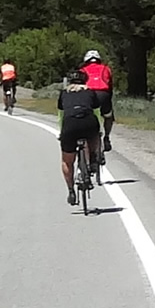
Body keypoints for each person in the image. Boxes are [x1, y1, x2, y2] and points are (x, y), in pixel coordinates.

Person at [57, 68, 104, 204]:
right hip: (88, 122)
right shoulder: (90, 92)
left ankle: (71, 191)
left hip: (70, 125)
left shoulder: (63, 93)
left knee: (67, 161)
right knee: (94, 136)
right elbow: (96, 113)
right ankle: (93, 159)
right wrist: (98, 131)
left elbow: (61, 115)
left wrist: (62, 132)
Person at [81, 49, 115, 153]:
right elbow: (110, 85)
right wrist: (108, 99)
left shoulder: (83, 70)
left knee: (84, 114)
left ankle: (84, 137)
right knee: (108, 116)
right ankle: (107, 137)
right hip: (103, 94)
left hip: (88, 94)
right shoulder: (106, 68)